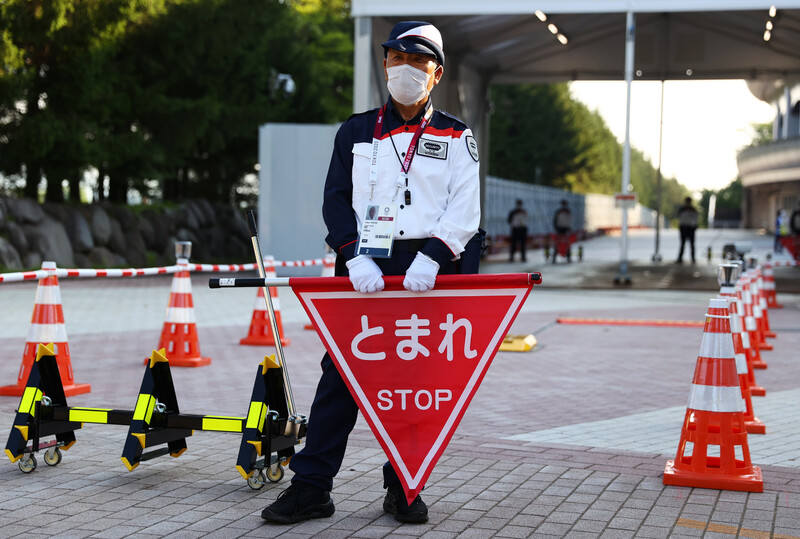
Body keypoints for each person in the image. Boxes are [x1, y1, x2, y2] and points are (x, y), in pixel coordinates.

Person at [261, 21, 481, 525]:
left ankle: (403, 485)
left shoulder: (455, 135)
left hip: (429, 268)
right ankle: (312, 486)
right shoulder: (356, 131)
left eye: (418, 61)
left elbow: (464, 208)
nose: (406, 68)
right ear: (385, 65)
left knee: (414, 382)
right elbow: (336, 200)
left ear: (437, 73)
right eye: (397, 58)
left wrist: (433, 255)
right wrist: (351, 253)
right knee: (341, 376)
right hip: (364, 266)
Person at [676, 196, 698, 264]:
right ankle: (680, 258)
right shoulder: (682, 209)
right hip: (684, 227)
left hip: (690, 227)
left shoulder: (693, 209)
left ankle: (693, 258)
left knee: (691, 244)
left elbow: (696, 218)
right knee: (683, 243)